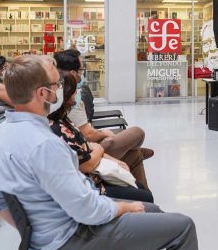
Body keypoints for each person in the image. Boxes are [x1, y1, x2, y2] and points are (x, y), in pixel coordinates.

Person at [0, 55, 204, 250]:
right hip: (68, 241)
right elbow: (88, 211)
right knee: (183, 228)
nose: (61, 90)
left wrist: (32, 232)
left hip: (44, 239)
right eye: (56, 85)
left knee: (150, 211)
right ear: (43, 93)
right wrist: (125, 207)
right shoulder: (44, 144)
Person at [54, 49, 153, 190]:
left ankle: (144, 196)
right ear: (73, 73)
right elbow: (87, 134)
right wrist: (103, 135)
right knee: (137, 132)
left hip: (87, 147)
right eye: (81, 69)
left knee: (135, 155)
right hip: (90, 152)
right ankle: (133, 150)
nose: (83, 73)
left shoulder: (63, 102)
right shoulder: (68, 102)